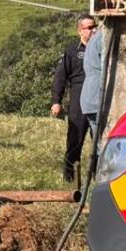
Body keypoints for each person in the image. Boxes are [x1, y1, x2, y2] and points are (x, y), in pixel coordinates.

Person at [51, 14, 97, 183]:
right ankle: (70, 178)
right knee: (75, 139)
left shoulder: (101, 49)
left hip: (96, 99)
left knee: (99, 141)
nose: (93, 30)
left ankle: (97, 177)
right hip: (78, 99)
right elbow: (60, 78)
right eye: (89, 28)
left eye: (95, 26)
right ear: (80, 31)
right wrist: (56, 101)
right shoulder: (72, 52)